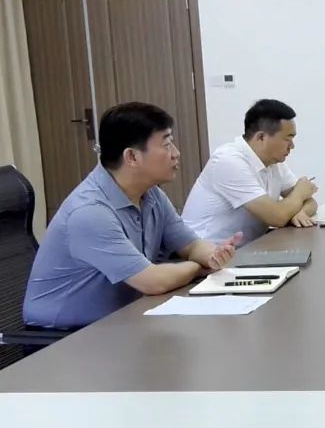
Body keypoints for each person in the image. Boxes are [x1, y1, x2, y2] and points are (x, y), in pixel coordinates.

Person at [22, 102, 239, 329]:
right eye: (166, 145)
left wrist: (212, 255)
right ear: (132, 157)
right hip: (63, 337)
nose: (176, 153)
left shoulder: (151, 194)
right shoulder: (89, 212)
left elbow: (190, 244)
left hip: (121, 319)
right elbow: (153, 282)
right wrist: (197, 266)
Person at [182, 99, 317, 246]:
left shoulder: (274, 162)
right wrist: (299, 193)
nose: (292, 146)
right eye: (287, 139)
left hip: (248, 248)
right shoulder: (228, 161)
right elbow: (277, 217)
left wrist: (301, 213)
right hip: (205, 253)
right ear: (261, 137)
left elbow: (310, 202)